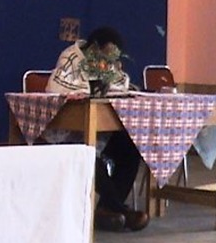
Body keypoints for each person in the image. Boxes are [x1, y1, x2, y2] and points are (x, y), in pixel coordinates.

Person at [45, 26, 149, 232]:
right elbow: (55, 88)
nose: (108, 62)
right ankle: (121, 210)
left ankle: (104, 211)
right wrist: (90, 90)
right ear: (94, 48)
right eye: (106, 56)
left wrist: (114, 76)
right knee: (88, 153)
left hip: (99, 130)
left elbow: (122, 84)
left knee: (130, 149)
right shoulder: (71, 58)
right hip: (67, 132)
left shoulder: (105, 64)